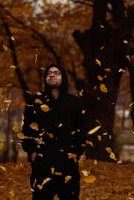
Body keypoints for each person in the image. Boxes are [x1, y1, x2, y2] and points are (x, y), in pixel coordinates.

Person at [21, 64, 86, 200]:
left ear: (63, 77)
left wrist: (76, 152)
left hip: (68, 164)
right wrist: (32, 152)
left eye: (56, 72)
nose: (51, 75)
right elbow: (27, 129)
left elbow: (81, 130)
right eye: (49, 73)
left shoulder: (74, 102)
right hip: (42, 164)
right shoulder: (35, 101)